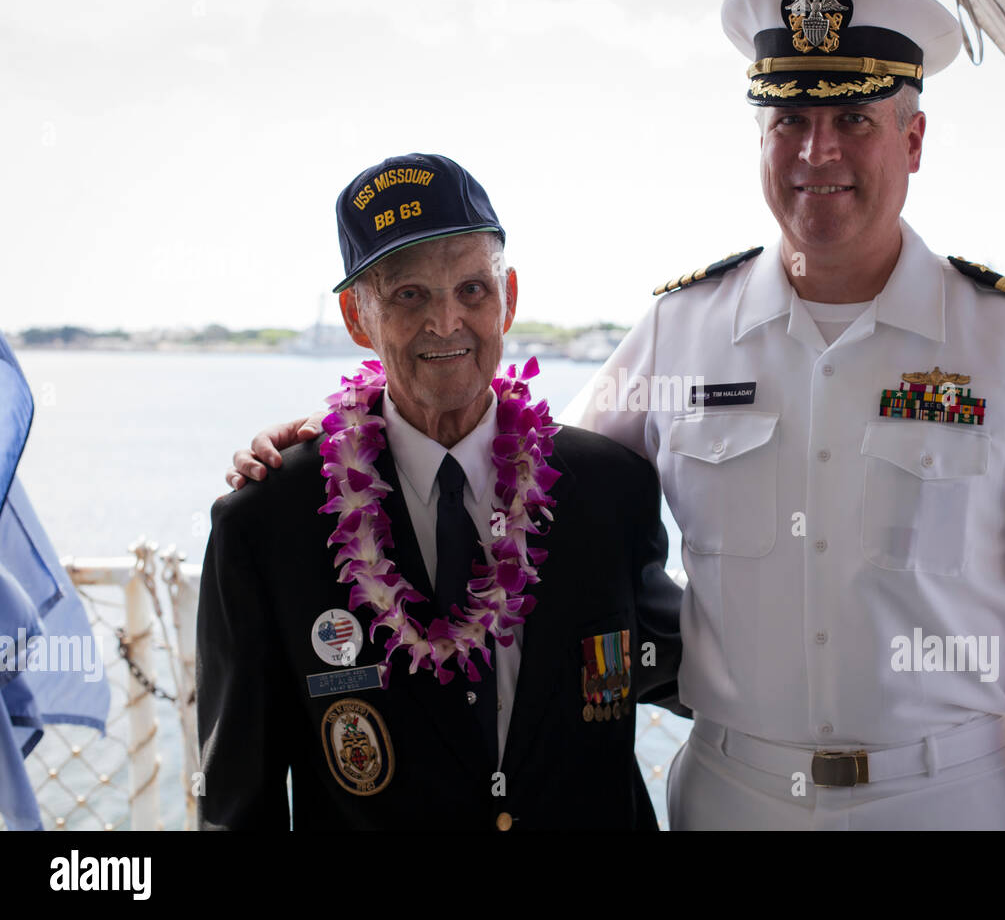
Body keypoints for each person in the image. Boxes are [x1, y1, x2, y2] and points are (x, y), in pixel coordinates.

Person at [231, 0, 1005, 831]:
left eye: (854, 117)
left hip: (949, 799)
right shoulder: (681, 329)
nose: (818, 151)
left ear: (912, 138)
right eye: (788, 118)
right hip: (735, 799)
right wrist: (341, 441)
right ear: (760, 138)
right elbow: (519, 464)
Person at [198, 152, 682, 831]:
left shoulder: (610, 488)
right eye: (409, 295)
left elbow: (700, 667)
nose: (446, 322)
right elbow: (236, 805)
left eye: (472, 290)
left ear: (508, 296)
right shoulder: (267, 521)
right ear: (356, 316)